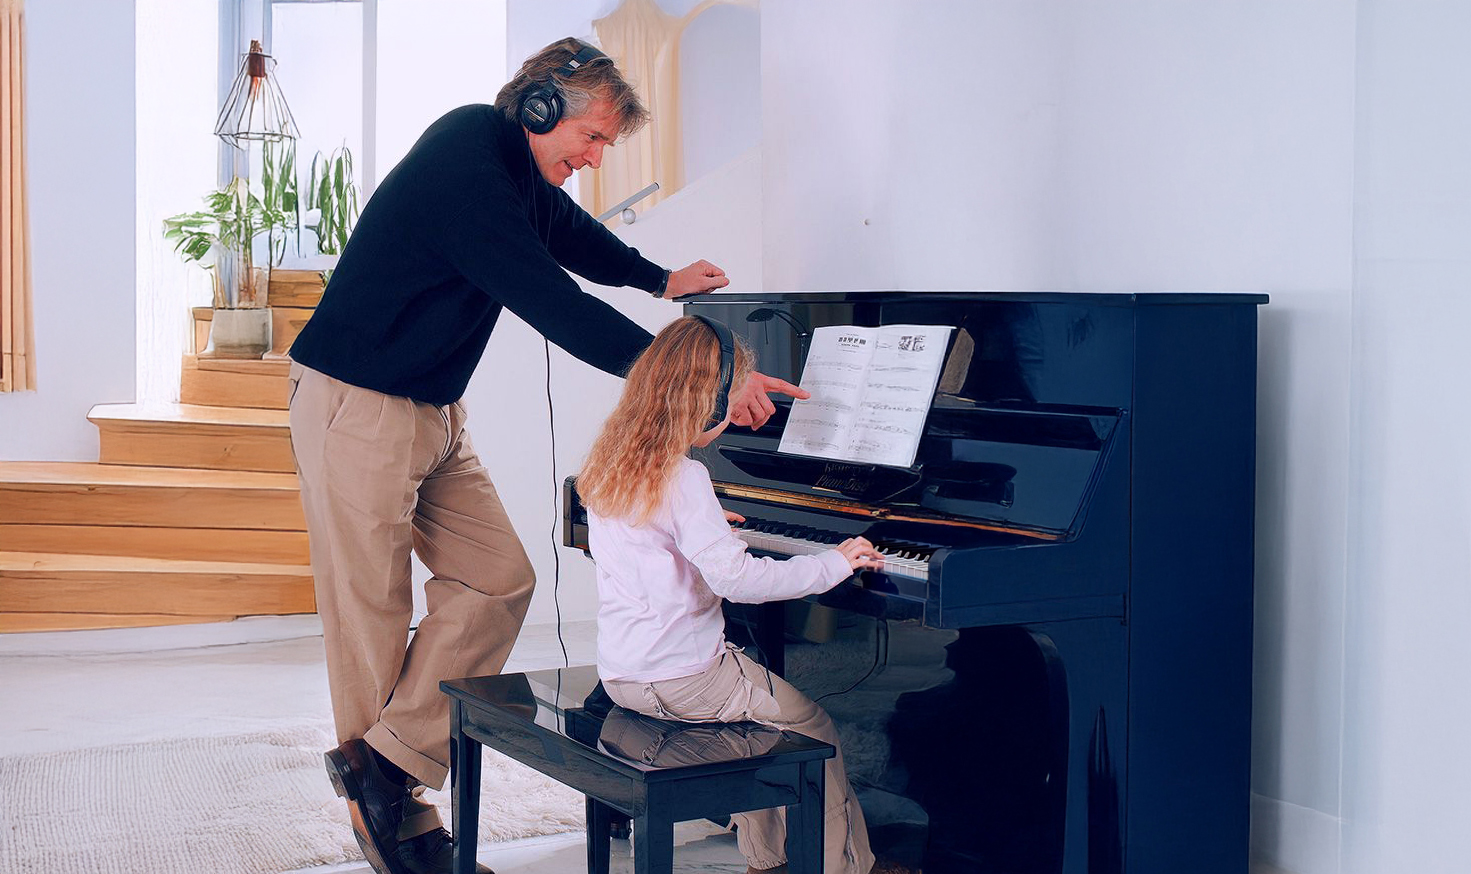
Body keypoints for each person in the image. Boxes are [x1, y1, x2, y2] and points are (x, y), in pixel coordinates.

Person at [285, 39, 805, 874]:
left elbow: (569, 236)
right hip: (358, 404)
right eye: (592, 138)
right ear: (538, 105)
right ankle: (391, 818)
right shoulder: (465, 159)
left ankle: (381, 765)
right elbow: (550, 298)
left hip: (431, 408)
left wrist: (658, 278)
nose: (596, 159)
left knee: (500, 577)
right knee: (372, 613)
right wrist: (704, 375)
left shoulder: (518, 174)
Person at [577, 316, 881, 874]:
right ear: (709, 402)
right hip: (684, 679)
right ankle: (850, 867)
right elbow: (738, 581)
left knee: (761, 729)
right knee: (812, 727)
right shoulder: (684, 476)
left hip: (624, 673)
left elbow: (657, 546)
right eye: (733, 398)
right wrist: (832, 563)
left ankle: (765, 861)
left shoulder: (610, 462)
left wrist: (712, 531)